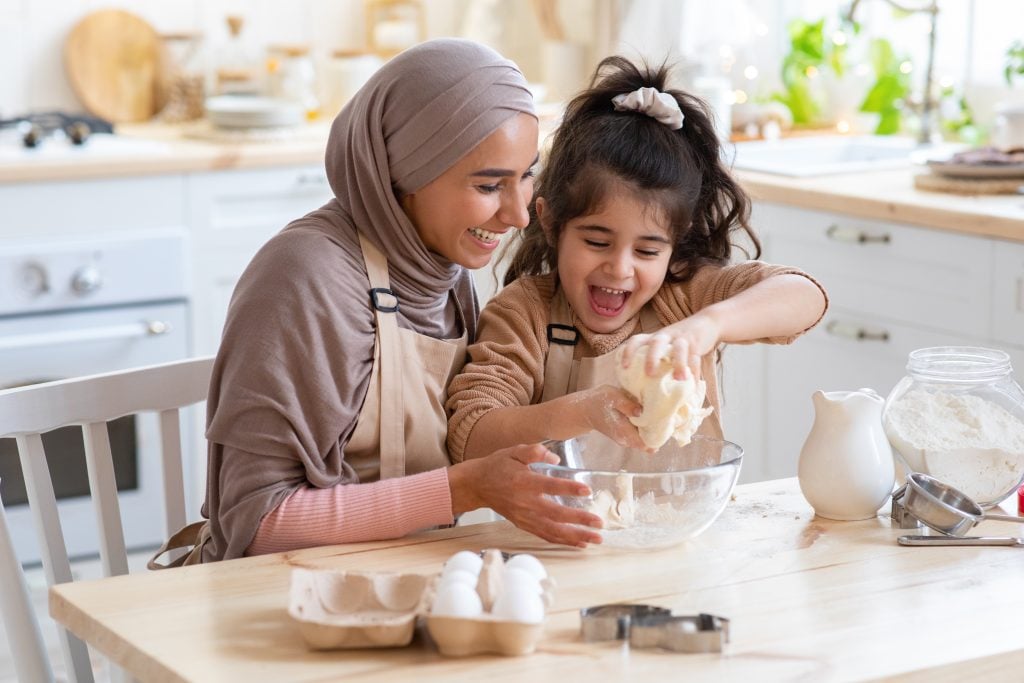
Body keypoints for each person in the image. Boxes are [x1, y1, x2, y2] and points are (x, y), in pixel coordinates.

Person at [174, 39, 606, 564]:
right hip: (278, 596)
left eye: (527, 174)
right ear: (402, 177)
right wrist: (464, 489)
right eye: (490, 185)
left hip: (405, 581)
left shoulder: (442, 271)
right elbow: (256, 524)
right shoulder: (305, 278)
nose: (518, 215)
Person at [445, 56, 829, 463]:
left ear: (675, 245)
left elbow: (806, 297)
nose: (620, 268)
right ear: (552, 223)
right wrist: (583, 412)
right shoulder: (526, 314)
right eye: (597, 241)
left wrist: (707, 326)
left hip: (683, 521)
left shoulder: (683, 296)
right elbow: (471, 436)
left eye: (647, 251)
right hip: (553, 526)